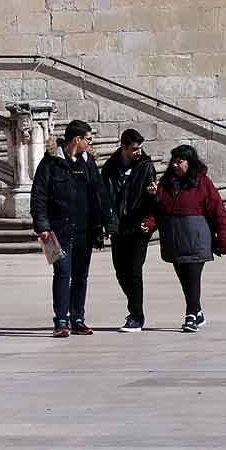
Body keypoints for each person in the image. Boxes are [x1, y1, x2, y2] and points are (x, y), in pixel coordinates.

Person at [30, 119, 113, 338]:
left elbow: (100, 194)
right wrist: (42, 225)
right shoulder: (50, 163)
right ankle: (61, 320)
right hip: (56, 231)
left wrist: (108, 222)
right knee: (62, 273)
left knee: (80, 276)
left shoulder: (88, 163)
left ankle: (78, 318)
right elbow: (38, 197)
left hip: (85, 230)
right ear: (77, 139)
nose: (90, 143)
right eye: (88, 139)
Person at [142, 143, 226, 332]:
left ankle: (190, 315)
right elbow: (159, 210)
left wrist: (223, 237)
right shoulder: (165, 184)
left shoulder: (202, 183)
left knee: (192, 278)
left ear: (190, 163)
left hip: (196, 239)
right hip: (173, 240)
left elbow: (218, 211)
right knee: (185, 280)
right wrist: (149, 223)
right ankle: (197, 312)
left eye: (180, 161)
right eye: (173, 161)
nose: (175, 164)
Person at [101, 128, 156, 333]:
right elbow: (104, 196)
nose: (138, 152)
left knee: (133, 271)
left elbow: (152, 199)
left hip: (137, 227)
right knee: (120, 271)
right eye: (134, 149)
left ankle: (136, 315)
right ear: (123, 147)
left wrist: (152, 198)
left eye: (140, 148)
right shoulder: (110, 167)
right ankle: (134, 307)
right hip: (118, 227)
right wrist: (107, 223)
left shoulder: (146, 166)